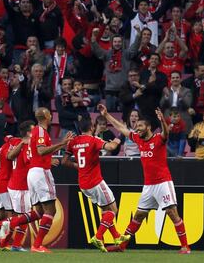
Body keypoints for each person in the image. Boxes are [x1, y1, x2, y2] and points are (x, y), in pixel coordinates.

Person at [98, 104, 191, 254]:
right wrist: (107, 115)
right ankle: (122, 245)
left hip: (163, 183)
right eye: (136, 125)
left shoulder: (158, 139)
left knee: (172, 213)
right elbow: (122, 128)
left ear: (148, 127)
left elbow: (165, 133)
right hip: (148, 186)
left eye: (140, 125)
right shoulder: (138, 140)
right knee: (139, 215)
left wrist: (163, 121)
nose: (137, 128)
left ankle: (185, 247)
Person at [62, 118, 130, 252]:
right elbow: (111, 147)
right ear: (92, 127)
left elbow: (64, 161)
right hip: (95, 181)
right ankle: (98, 237)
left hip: (83, 184)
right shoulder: (93, 140)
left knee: (105, 211)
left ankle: (116, 237)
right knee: (113, 210)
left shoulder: (73, 142)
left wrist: (79, 166)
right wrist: (117, 140)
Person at [27, 107, 73, 253]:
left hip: (33, 172)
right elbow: (40, 151)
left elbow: (37, 152)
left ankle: (10, 224)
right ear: (48, 116)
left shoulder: (35, 131)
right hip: (41, 172)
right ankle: (37, 245)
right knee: (50, 210)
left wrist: (49, 158)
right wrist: (62, 143)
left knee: (39, 211)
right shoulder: (40, 131)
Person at [0, 121, 35, 251]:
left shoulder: (15, 142)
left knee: (19, 216)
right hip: (21, 185)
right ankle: (15, 243)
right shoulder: (25, 145)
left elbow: (8, 139)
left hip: (14, 184)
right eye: (33, 130)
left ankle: (4, 244)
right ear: (29, 133)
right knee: (24, 217)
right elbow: (28, 161)